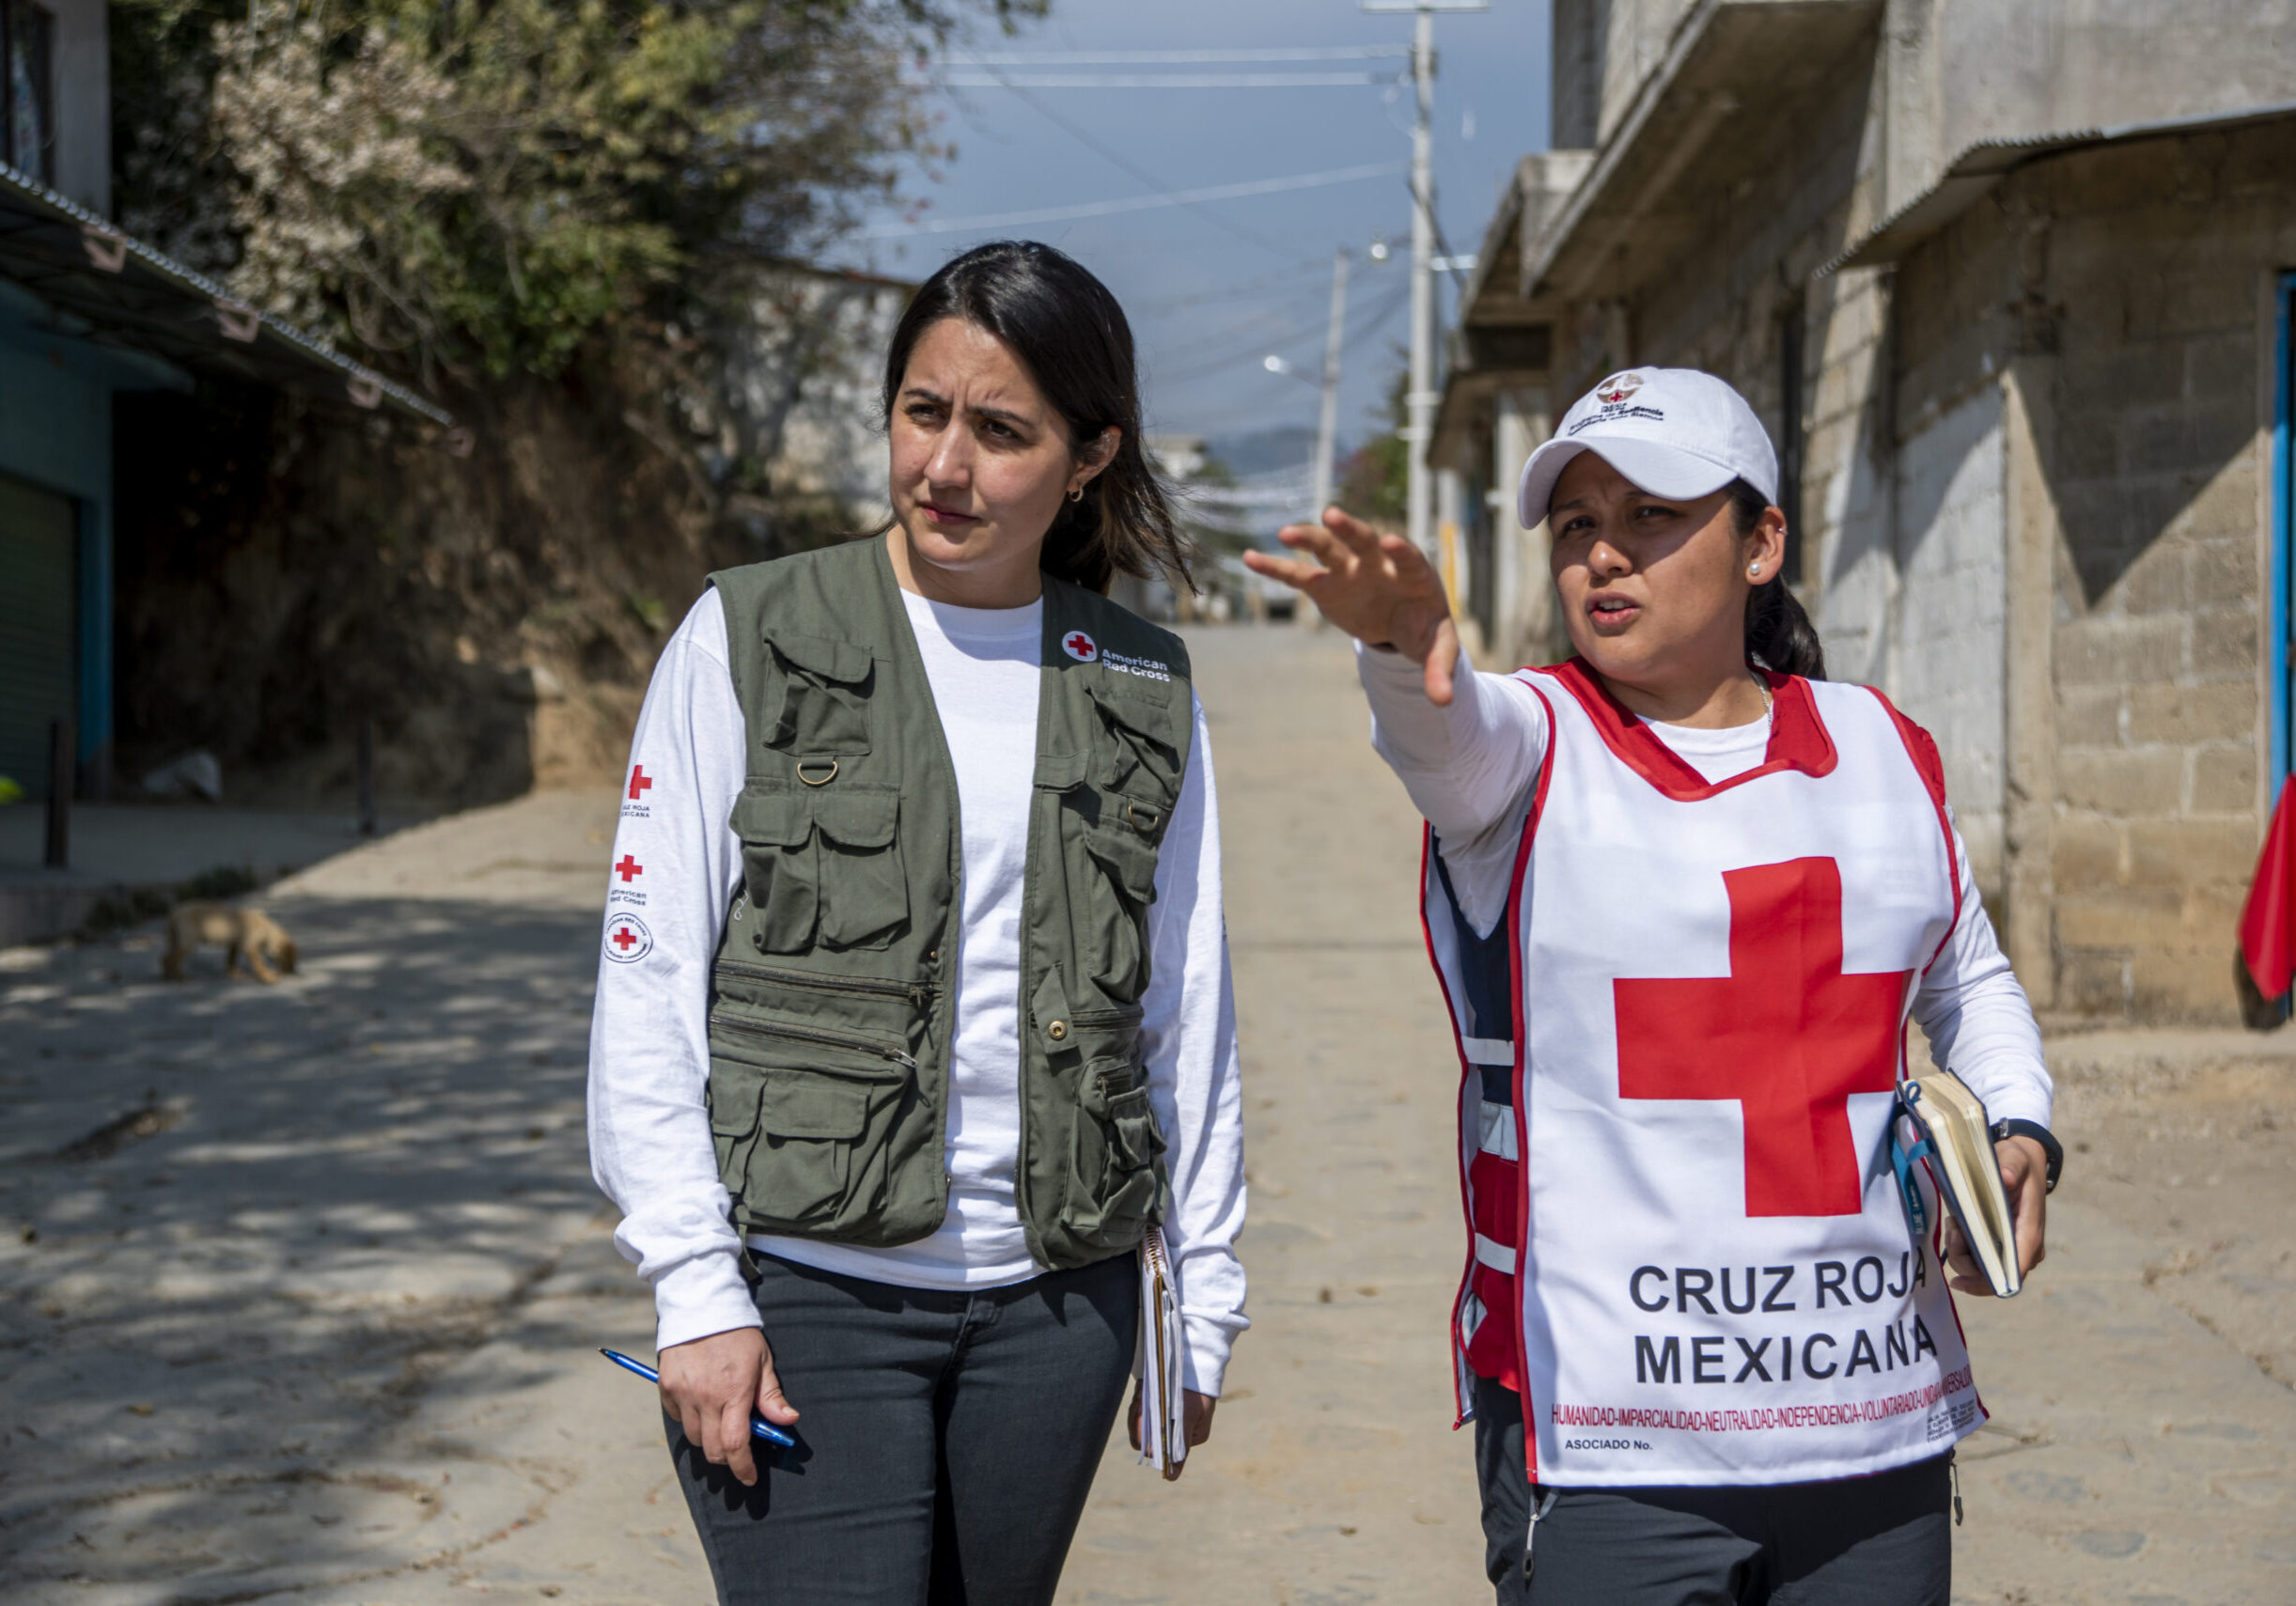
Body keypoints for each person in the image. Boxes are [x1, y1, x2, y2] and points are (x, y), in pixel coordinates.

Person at [1245, 368, 2059, 1605]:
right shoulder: (1533, 745)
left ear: (1762, 543)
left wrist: (2015, 1121)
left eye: (1653, 515)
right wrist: (1401, 651)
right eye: (1577, 524)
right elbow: (1446, 744)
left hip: (1871, 1421)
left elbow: (1969, 975)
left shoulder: (1883, 750)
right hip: (1611, 1441)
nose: (1604, 556)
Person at [587, 240, 1247, 1605]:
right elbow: (648, 987)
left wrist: (1206, 1293)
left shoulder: (1139, 680)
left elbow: (1185, 1009)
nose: (946, 466)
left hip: (1058, 1307)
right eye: (921, 412)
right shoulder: (747, 634)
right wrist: (699, 1289)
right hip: (808, 1292)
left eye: (1002, 431)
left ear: (1090, 455)